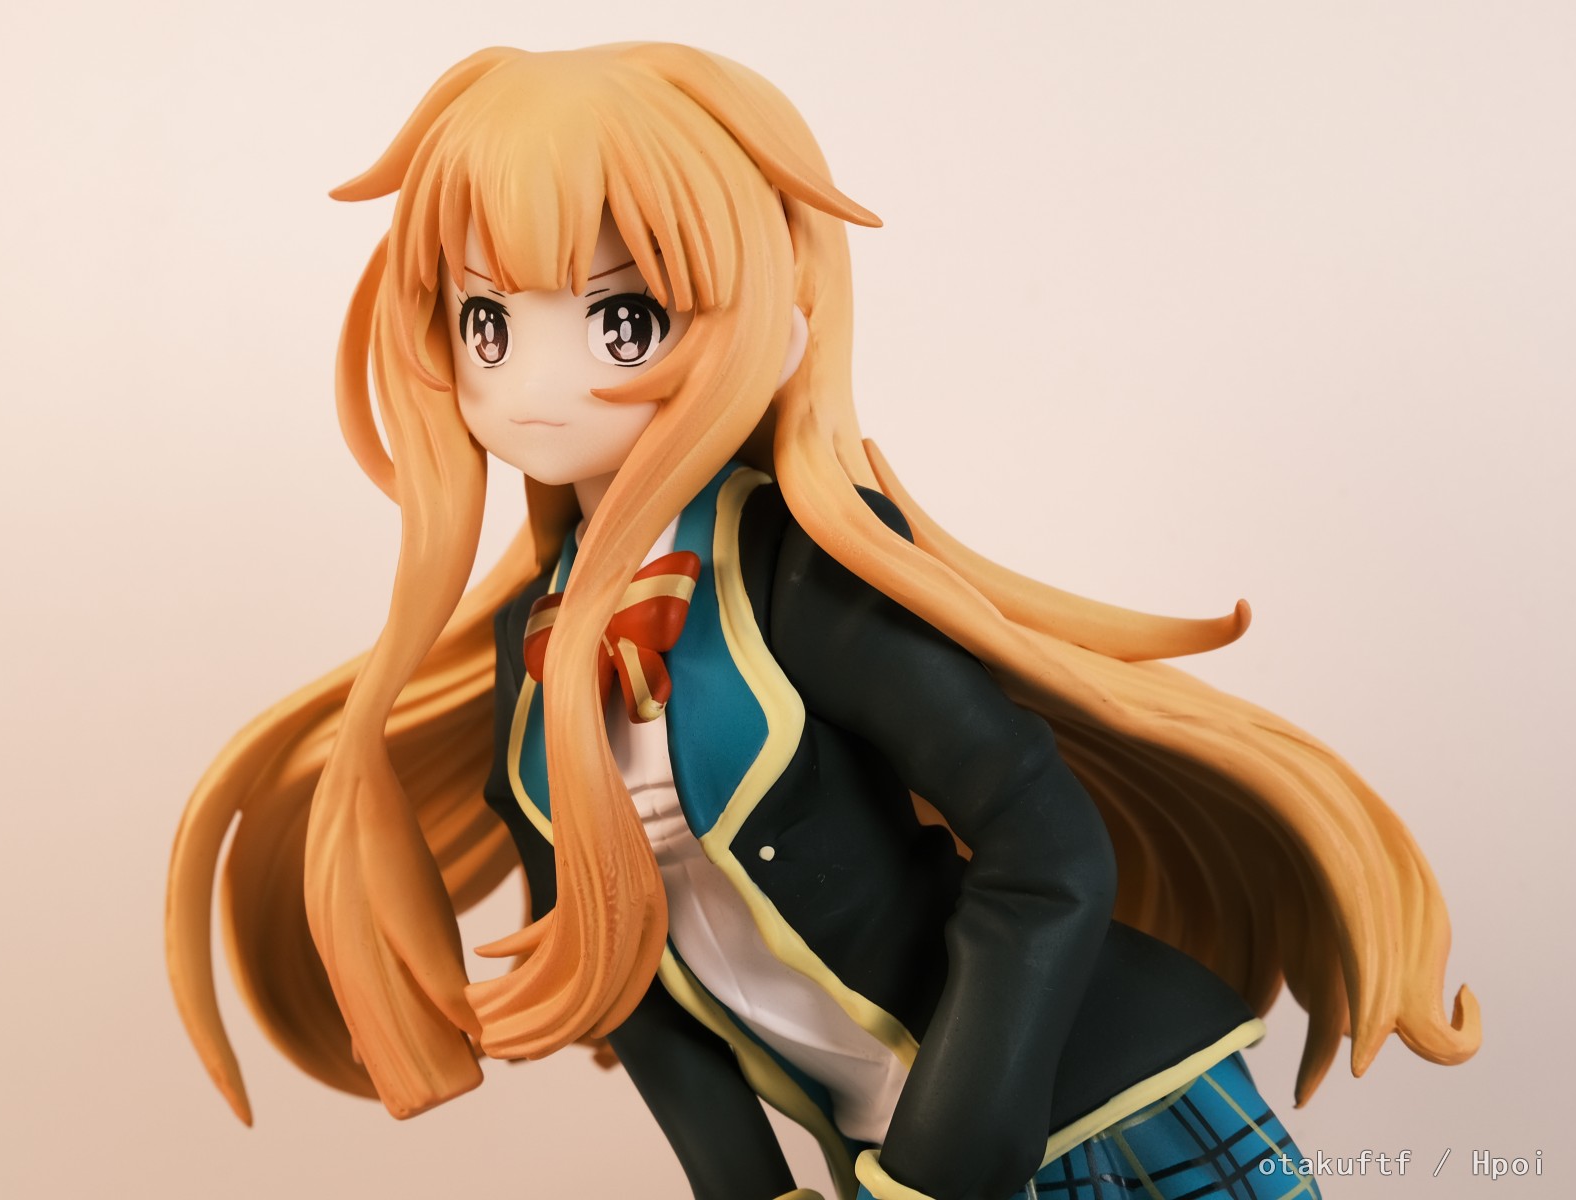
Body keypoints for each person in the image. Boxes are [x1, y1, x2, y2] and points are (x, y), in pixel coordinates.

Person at [165, 43, 1478, 1200]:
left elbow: (1049, 854)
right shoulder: (536, 658)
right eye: (487, 323)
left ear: (769, 315)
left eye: (622, 318)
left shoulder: (799, 580)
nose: (533, 380)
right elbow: (617, 977)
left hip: (1093, 1114)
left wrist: (942, 1166)